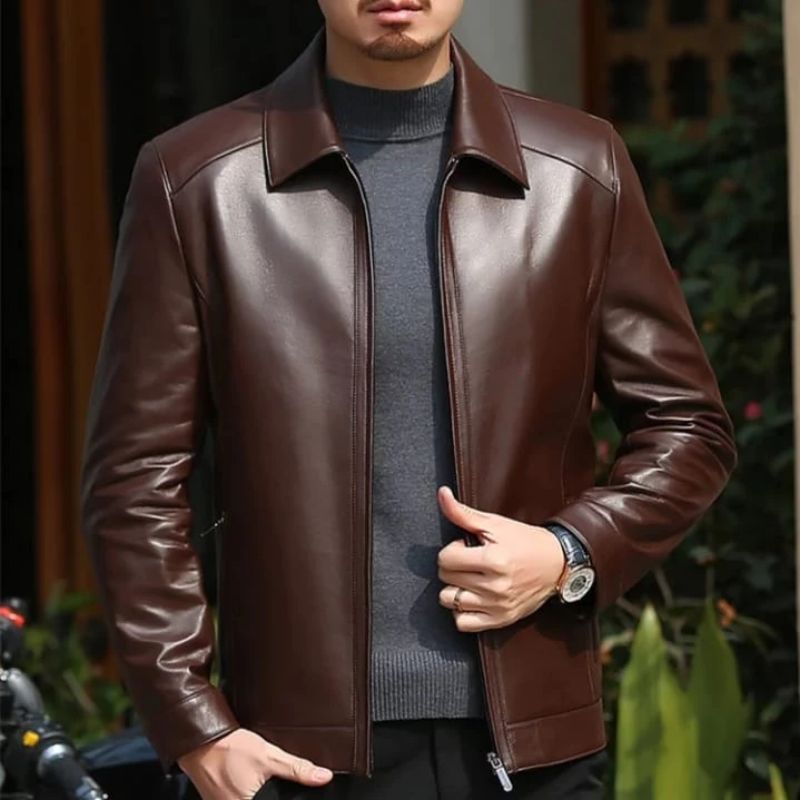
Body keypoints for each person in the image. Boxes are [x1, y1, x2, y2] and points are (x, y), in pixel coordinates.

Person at [79, 1, 738, 798]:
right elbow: (135, 479)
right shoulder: (197, 179)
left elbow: (687, 424)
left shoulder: (576, 167)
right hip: (297, 761)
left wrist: (570, 553)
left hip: (534, 754)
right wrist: (195, 726)